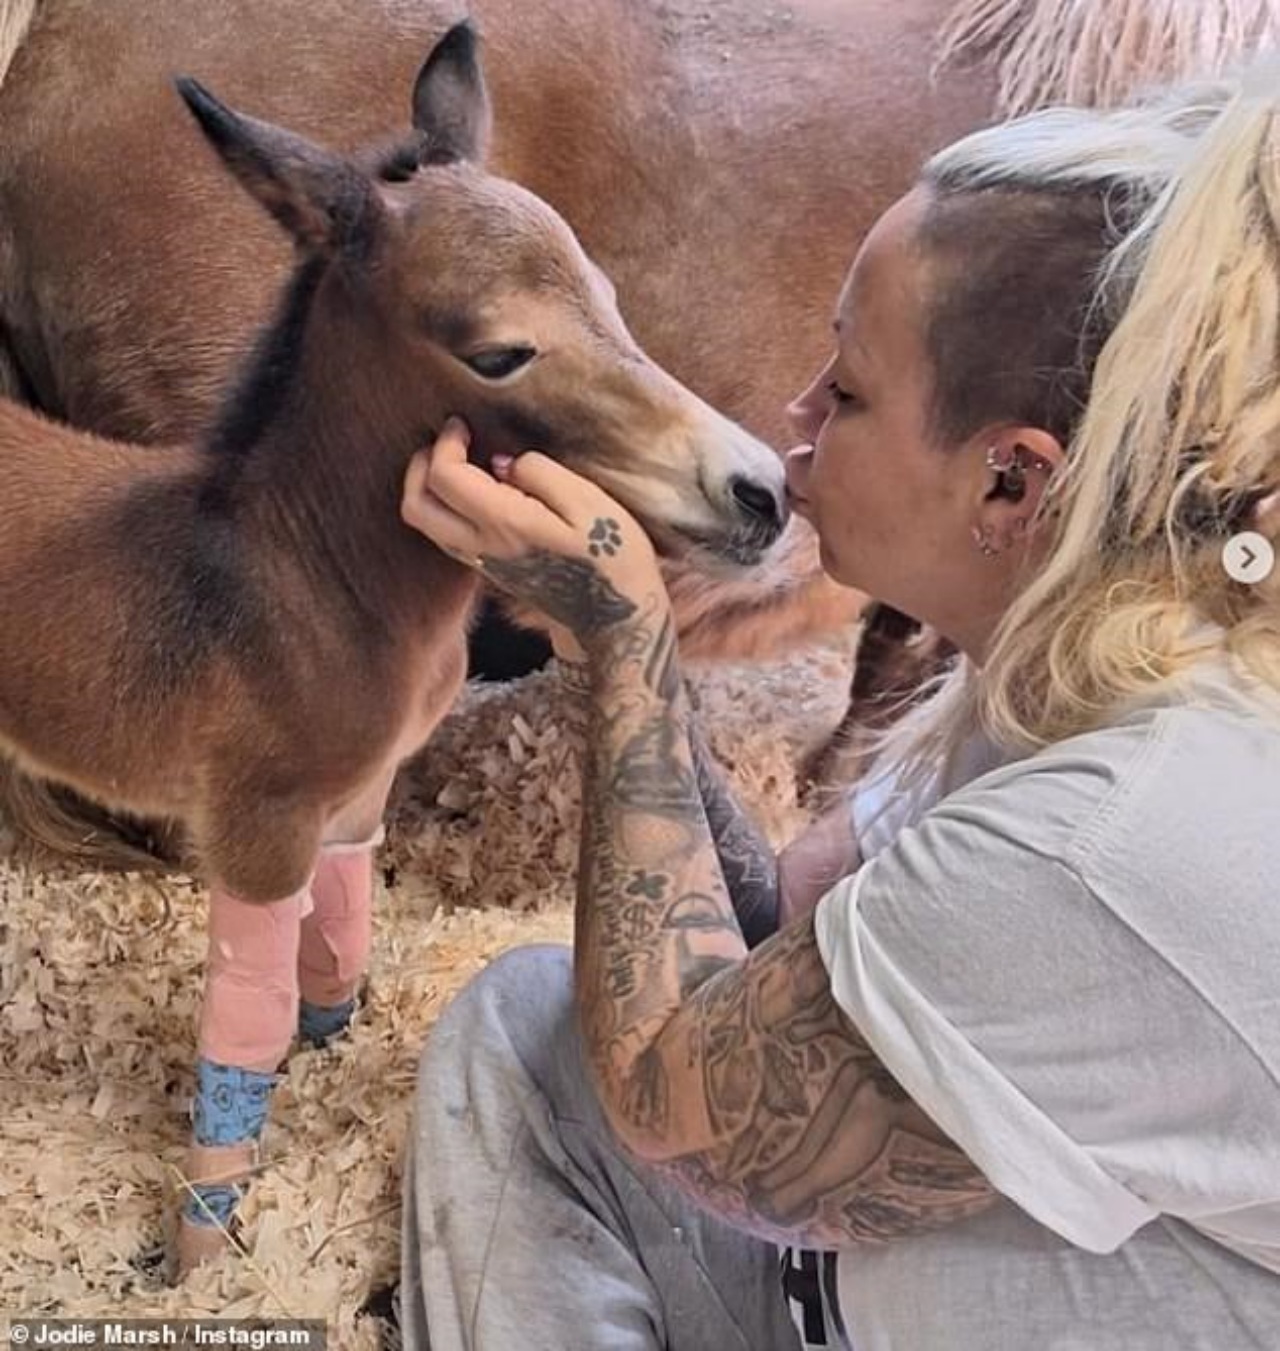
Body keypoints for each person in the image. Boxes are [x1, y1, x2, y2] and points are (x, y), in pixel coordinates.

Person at [393, 66, 1280, 1351]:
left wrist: (626, 638)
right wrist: (614, 653)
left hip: (835, 1282)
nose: (790, 426)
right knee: (529, 1019)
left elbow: (669, 1106)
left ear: (1010, 484)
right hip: (881, 1263)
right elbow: (784, 921)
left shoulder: (1112, 844)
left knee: (549, 1056)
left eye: (847, 393)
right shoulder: (1098, 632)